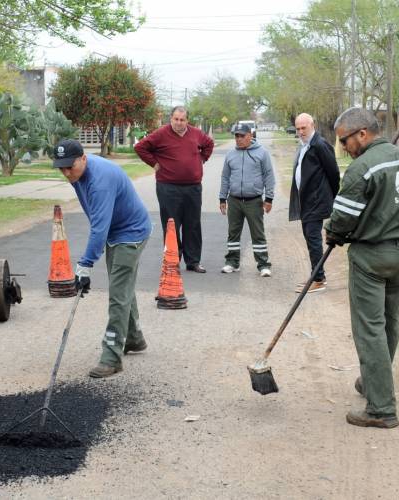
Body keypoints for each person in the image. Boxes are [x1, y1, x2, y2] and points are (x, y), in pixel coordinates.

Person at [325, 108, 399, 428]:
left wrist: (334, 232)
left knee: (369, 329)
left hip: (370, 258)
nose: (343, 147)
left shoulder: (361, 169)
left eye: (344, 140)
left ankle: (381, 408)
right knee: (388, 325)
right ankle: (373, 383)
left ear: (363, 134)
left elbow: (342, 219)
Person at [54, 139, 152, 379]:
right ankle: (134, 339)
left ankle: (111, 357)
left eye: (71, 167)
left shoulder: (99, 181)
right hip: (115, 232)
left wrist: (85, 264)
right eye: (62, 168)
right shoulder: (79, 175)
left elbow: (99, 227)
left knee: (118, 294)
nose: (67, 173)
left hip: (130, 234)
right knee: (122, 287)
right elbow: (98, 221)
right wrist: (88, 259)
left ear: (83, 158)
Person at [134, 106, 214, 273]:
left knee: (193, 224)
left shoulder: (196, 133)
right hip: (168, 187)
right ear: (171, 119)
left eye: (182, 120)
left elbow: (209, 144)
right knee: (171, 224)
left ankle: (193, 261)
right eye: (176, 119)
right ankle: (172, 261)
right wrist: (154, 163)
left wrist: (201, 159)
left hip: (193, 187)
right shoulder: (161, 134)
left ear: (187, 121)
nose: (179, 123)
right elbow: (140, 147)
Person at [289, 113, 340, 293]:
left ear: (313, 126)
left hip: (316, 201)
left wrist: (333, 197)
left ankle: (319, 279)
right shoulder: (305, 145)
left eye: (304, 128)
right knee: (310, 238)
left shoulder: (320, 144)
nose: (301, 131)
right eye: (298, 128)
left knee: (313, 238)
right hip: (306, 201)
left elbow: (333, 173)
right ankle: (315, 276)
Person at [218, 123, 275, 276]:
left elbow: (269, 176)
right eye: (236, 136)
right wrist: (222, 198)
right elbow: (225, 177)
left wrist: (269, 198)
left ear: (250, 135)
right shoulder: (230, 154)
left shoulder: (262, 153)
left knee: (258, 233)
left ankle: (263, 264)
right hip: (234, 200)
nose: (239, 139)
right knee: (233, 233)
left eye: (242, 136)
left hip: (254, 201)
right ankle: (232, 262)